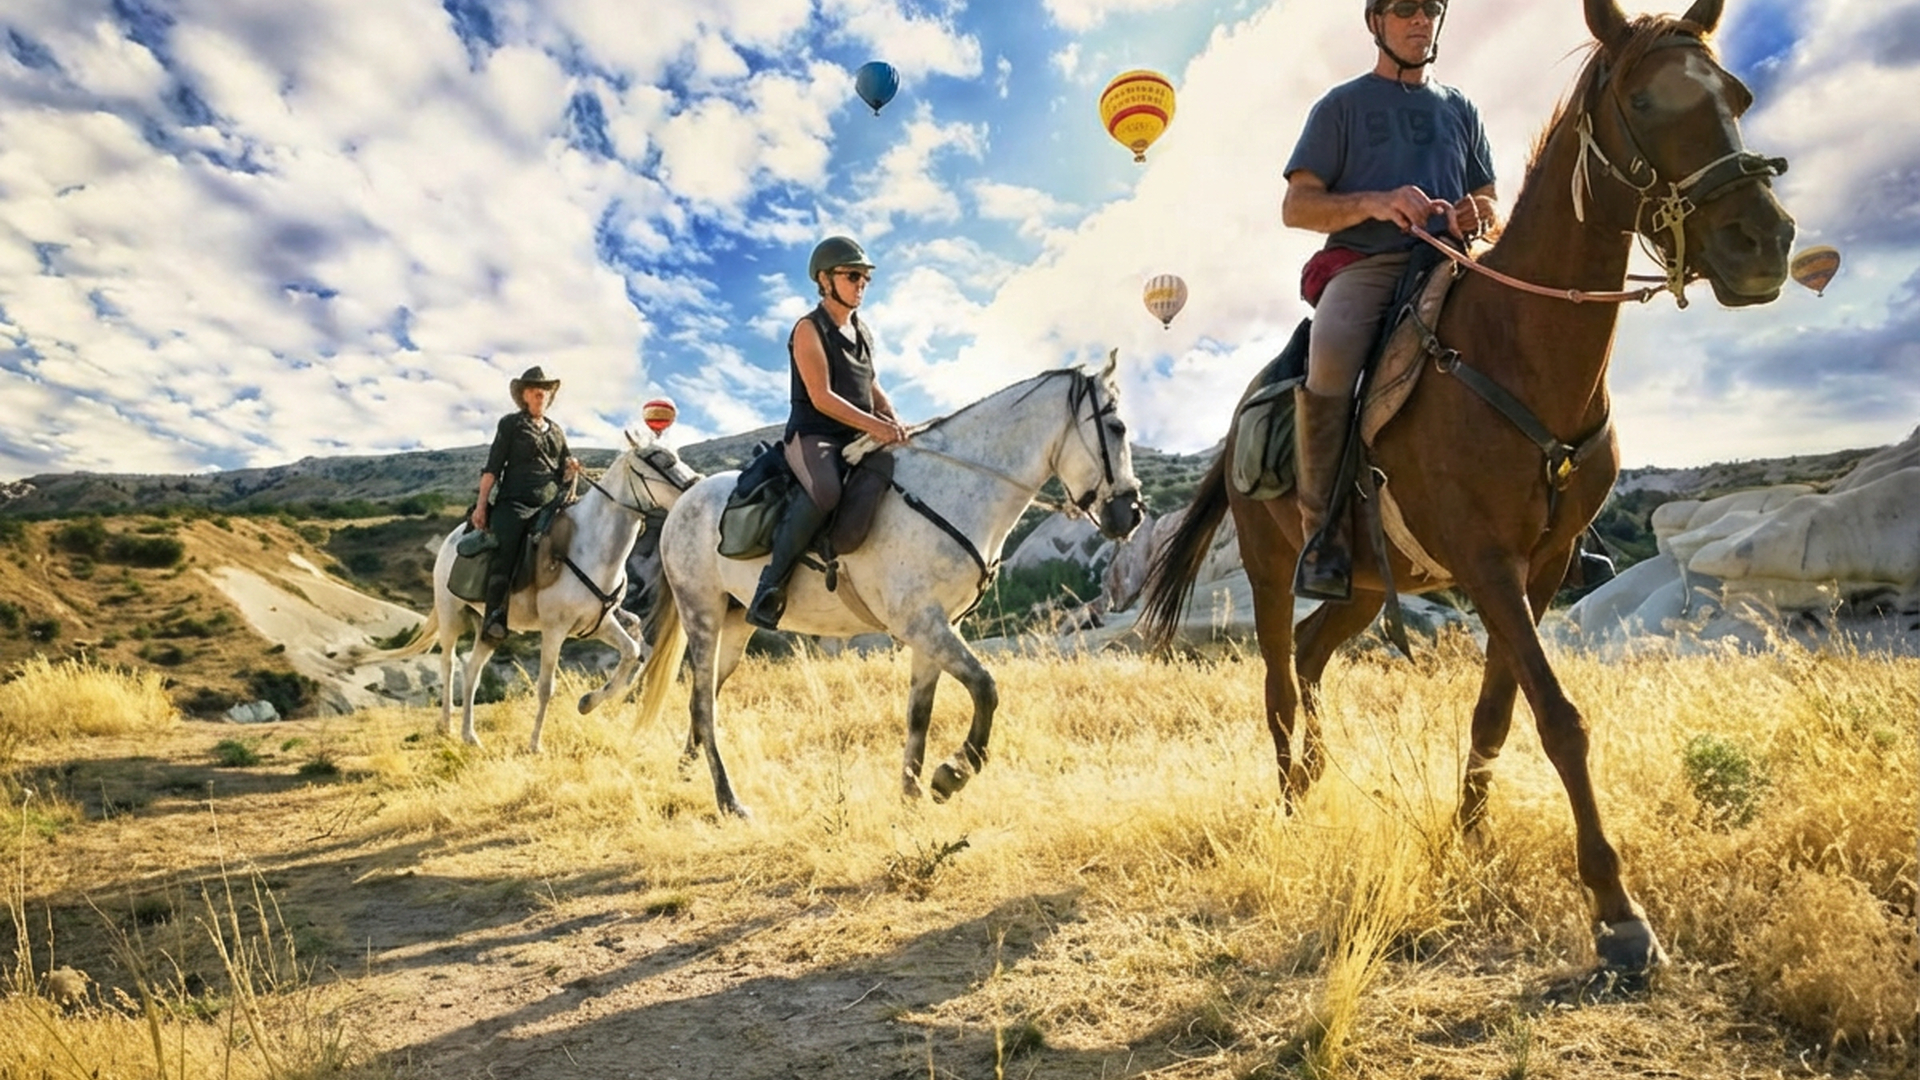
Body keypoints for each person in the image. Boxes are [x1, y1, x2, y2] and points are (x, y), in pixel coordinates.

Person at [1280, 0, 1498, 601]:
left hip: (1454, 262)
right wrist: (1376, 202)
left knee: (1533, 331)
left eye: (1430, 8)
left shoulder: (1461, 109)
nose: (1420, 20)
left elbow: (1490, 200)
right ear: (1376, 22)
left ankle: (1570, 520)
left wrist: (1477, 213)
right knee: (1331, 351)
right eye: (1405, 9)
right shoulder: (1340, 106)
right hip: (1370, 264)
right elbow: (1297, 207)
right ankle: (1322, 536)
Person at [744, 236, 910, 630]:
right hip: (812, 436)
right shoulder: (808, 328)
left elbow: (871, 385)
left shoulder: (862, 331)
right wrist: (875, 425)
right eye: (852, 275)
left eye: (865, 278)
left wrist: (895, 420)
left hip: (857, 433)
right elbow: (821, 397)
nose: (861, 284)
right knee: (827, 491)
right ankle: (770, 587)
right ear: (824, 279)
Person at [473, 365, 581, 641]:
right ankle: (495, 616)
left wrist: (571, 469)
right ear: (524, 395)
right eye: (535, 391)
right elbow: (493, 468)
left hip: (551, 503)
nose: (541, 395)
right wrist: (482, 505)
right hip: (516, 503)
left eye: (544, 391)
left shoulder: (556, 431)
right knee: (506, 548)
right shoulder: (510, 424)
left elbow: (564, 467)